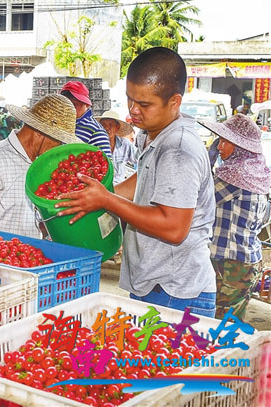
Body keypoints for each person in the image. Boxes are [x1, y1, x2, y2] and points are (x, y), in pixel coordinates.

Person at [55, 47, 217, 317]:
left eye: (144, 105)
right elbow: (142, 181)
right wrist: (97, 195)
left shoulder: (178, 149)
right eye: (130, 100)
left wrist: (107, 200)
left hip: (176, 292)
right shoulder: (154, 133)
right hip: (153, 282)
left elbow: (174, 226)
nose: (133, 111)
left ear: (174, 102)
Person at [0, 94, 81, 238]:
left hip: (29, 252)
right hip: (2, 257)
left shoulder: (37, 163)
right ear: (41, 133)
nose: (59, 147)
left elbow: (25, 217)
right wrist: (5, 246)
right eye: (59, 141)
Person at [200, 114, 271, 319]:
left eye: (224, 142)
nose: (219, 147)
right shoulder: (257, 172)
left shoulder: (234, 176)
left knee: (216, 323)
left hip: (228, 263)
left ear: (240, 147)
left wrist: (206, 163)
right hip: (247, 259)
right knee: (230, 322)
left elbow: (199, 200)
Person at [60, 81, 112, 158]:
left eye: (74, 104)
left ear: (87, 105)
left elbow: (106, 165)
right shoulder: (61, 124)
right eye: (65, 103)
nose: (69, 108)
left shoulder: (96, 131)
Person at [96, 110, 137, 185]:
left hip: (119, 186)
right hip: (101, 187)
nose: (107, 128)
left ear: (117, 127)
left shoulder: (125, 144)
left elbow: (139, 159)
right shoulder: (95, 143)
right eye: (104, 125)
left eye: (111, 125)